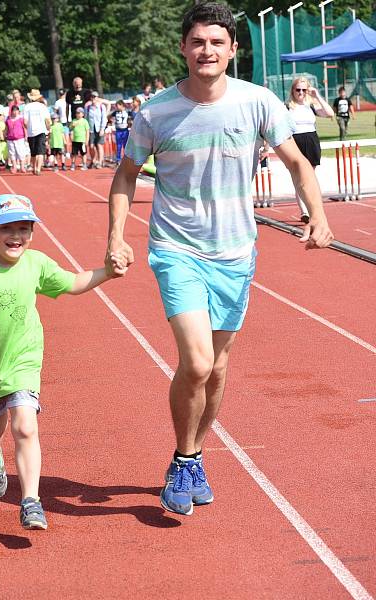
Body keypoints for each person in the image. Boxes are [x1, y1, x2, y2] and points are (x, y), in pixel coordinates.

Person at [106, 3, 334, 517]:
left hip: (235, 252)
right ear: (183, 48)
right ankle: (185, 458)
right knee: (198, 362)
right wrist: (116, 237)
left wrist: (316, 214)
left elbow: (296, 162)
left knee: (219, 368)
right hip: (175, 248)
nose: (206, 50)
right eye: (197, 42)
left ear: (232, 49)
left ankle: (195, 455)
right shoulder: (157, 111)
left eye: (216, 42)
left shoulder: (258, 102)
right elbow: (125, 174)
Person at [0, 194, 122, 530]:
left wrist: (108, 273)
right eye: (7, 229)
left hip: (23, 359)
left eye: (24, 229)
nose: (16, 236)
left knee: (25, 426)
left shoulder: (37, 264)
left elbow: (72, 282)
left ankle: (31, 500)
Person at [287, 76, 333, 222]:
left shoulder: (311, 105)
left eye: (304, 90)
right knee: (300, 177)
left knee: (310, 177)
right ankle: (304, 212)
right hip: (296, 141)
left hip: (311, 141)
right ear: (293, 91)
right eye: (298, 89)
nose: (301, 92)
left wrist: (317, 95)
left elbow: (330, 113)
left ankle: (312, 208)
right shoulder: (287, 106)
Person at [24, 89, 52, 175]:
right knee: (40, 151)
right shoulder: (42, 106)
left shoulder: (27, 107)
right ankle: (38, 168)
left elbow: (25, 122)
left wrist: (28, 128)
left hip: (31, 132)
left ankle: (33, 167)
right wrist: (48, 128)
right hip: (41, 131)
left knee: (33, 152)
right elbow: (48, 120)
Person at [86, 91, 108, 168]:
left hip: (99, 128)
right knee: (91, 146)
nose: (93, 99)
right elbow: (86, 118)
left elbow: (104, 119)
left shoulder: (102, 107)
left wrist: (102, 129)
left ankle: (100, 161)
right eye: (92, 97)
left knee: (99, 145)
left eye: (94, 97)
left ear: (97, 98)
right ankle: (93, 160)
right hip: (91, 129)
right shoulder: (88, 107)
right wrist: (86, 129)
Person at [5, 104, 27, 174]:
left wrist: (26, 136)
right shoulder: (8, 118)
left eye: (16, 111)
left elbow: (24, 128)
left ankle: (22, 167)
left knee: (21, 152)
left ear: (18, 111)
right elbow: (6, 128)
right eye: (13, 111)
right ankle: (14, 167)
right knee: (12, 153)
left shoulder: (21, 118)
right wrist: (4, 135)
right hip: (10, 138)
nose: (14, 112)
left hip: (20, 138)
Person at [110, 99, 131, 164]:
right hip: (118, 130)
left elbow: (132, 118)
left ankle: (126, 159)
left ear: (122, 105)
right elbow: (109, 116)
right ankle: (118, 159)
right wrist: (112, 122)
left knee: (125, 145)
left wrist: (130, 122)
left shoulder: (127, 112)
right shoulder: (115, 112)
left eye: (118, 105)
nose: (117, 107)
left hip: (125, 130)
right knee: (118, 145)